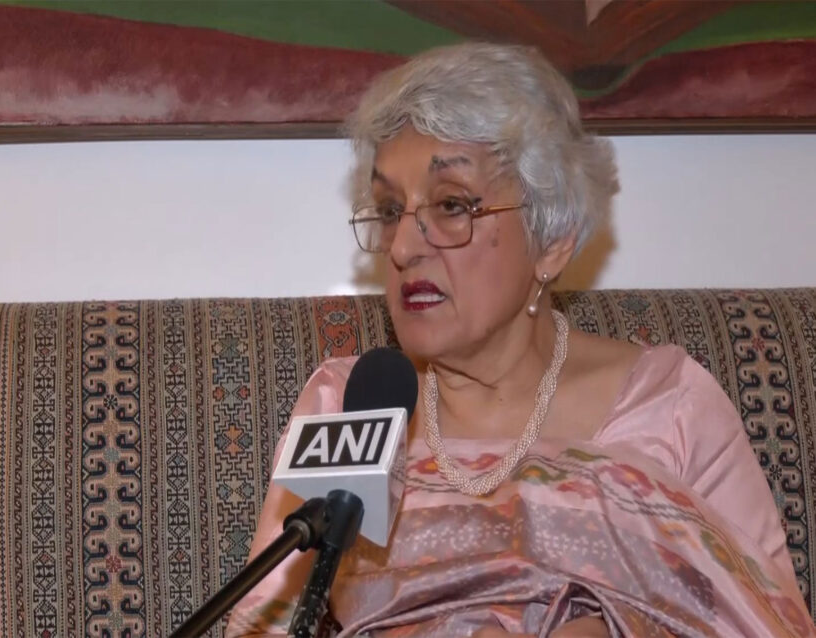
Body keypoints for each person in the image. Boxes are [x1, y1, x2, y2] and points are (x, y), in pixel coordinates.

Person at [227, 43, 811, 637]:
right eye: (390, 210)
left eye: (451, 204)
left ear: (552, 239)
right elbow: (263, 627)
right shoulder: (348, 403)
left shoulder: (669, 406)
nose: (402, 248)